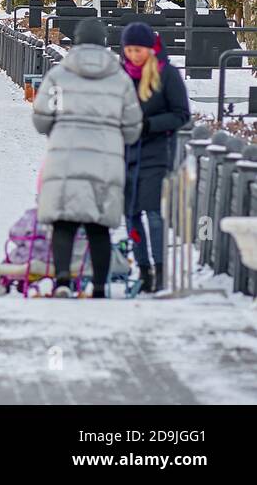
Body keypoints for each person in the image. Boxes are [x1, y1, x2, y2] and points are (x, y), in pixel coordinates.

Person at [32, 18, 142, 298]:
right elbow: (132, 126)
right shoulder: (120, 79)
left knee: (64, 222)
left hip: (65, 158)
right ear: (105, 43)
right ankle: (101, 286)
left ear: (76, 41)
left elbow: (42, 119)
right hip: (106, 161)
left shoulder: (59, 76)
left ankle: (63, 281)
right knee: (99, 226)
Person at [119, 21, 190, 294]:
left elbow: (181, 113)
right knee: (131, 214)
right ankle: (143, 267)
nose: (134, 56)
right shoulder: (122, 74)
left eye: (139, 50)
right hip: (127, 151)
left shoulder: (166, 73)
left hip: (156, 151)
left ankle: (160, 269)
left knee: (153, 213)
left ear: (150, 49)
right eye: (129, 50)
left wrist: (149, 125)